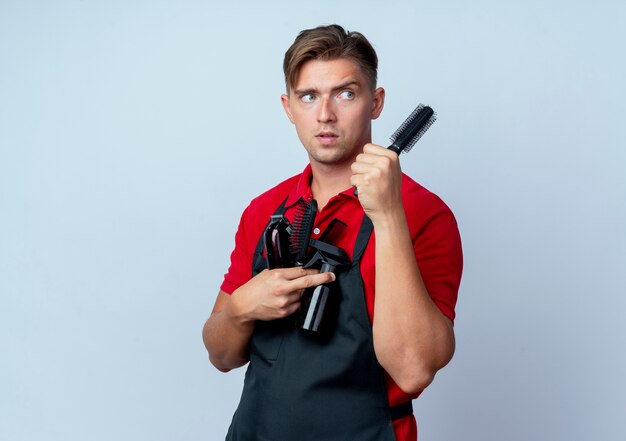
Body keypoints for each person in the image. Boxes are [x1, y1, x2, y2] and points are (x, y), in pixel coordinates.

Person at [202, 24, 463, 441]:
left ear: (375, 103)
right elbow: (220, 354)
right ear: (289, 108)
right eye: (309, 97)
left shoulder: (425, 214)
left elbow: (414, 370)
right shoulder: (264, 210)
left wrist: (388, 215)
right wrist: (238, 310)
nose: (325, 114)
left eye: (346, 93)